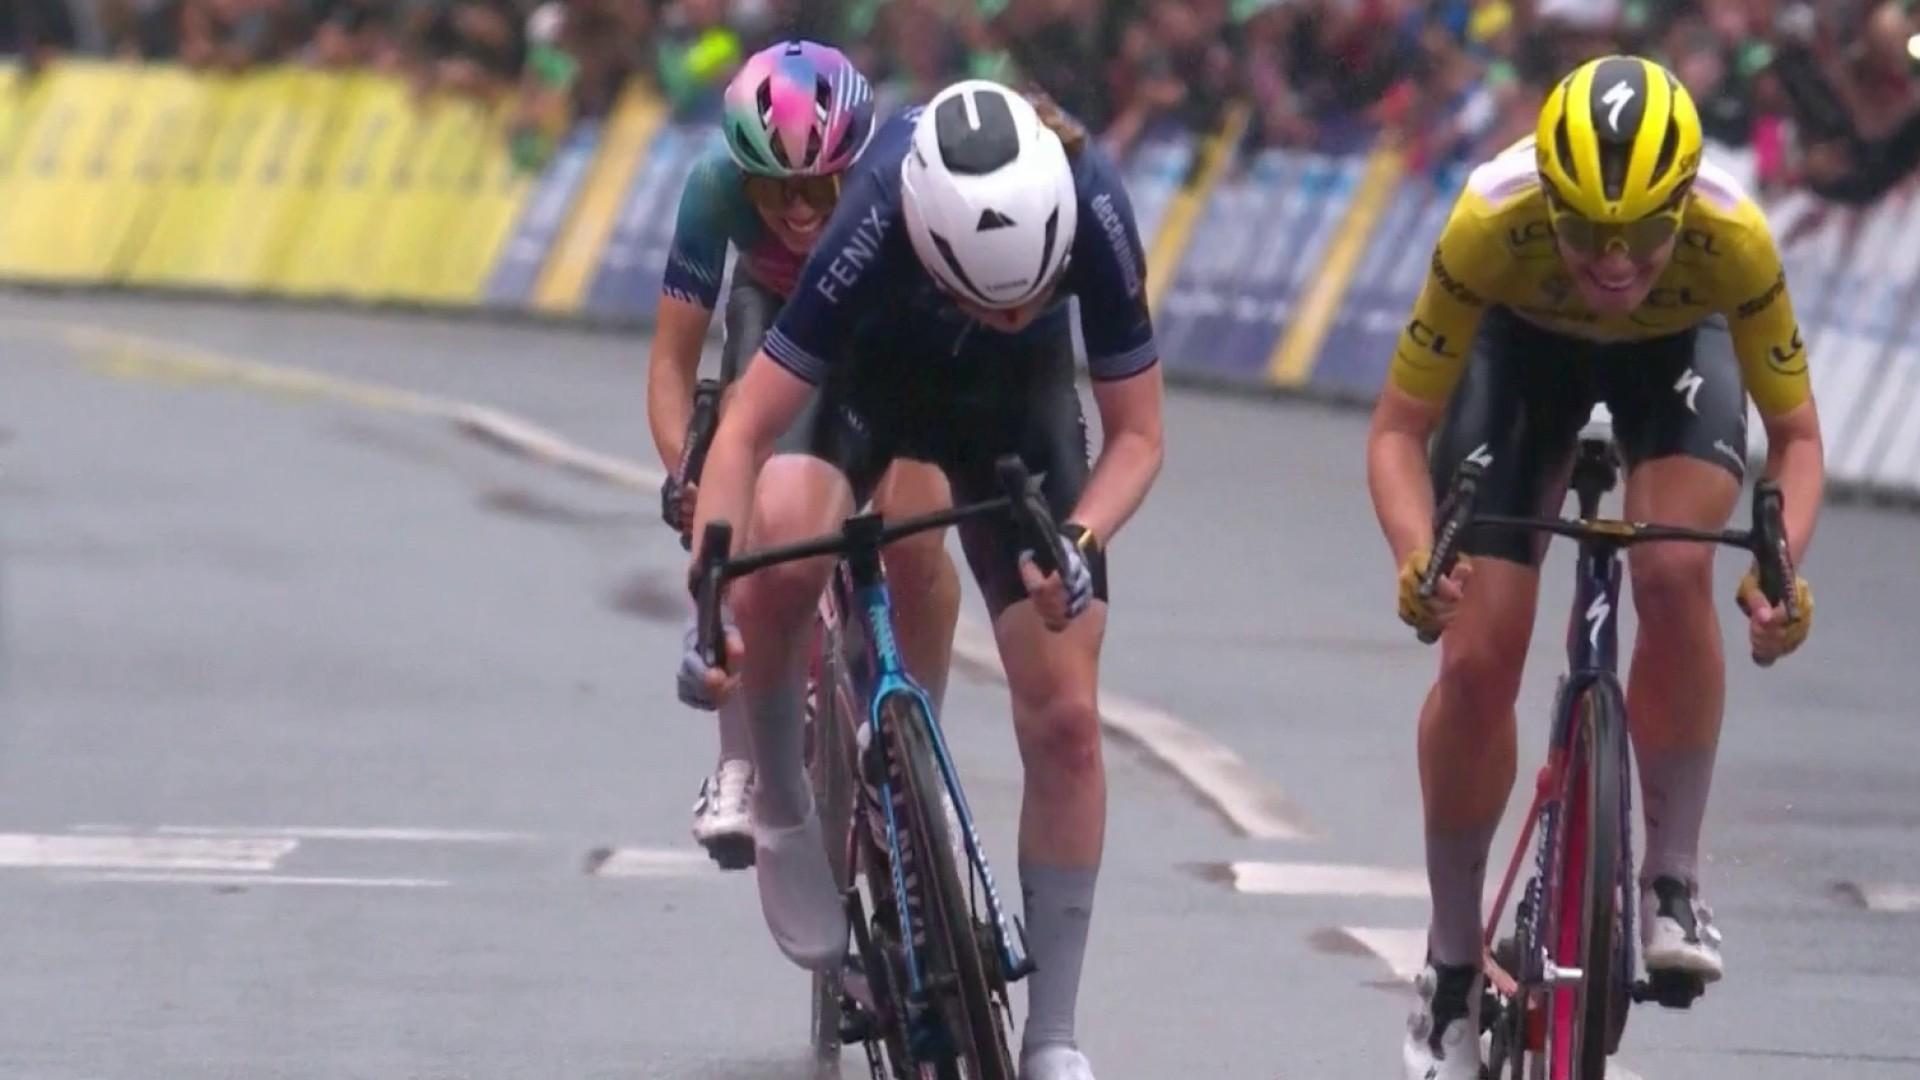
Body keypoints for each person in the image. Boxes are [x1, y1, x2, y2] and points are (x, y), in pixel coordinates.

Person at [681, 79, 1166, 1080]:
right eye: (991, 297)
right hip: (863, 383)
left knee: (1068, 716)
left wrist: (1077, 537)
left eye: (1033, 297)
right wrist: (709, 595)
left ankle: (1055, 1033)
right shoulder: (875, 209)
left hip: (1013, 410)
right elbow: (746, 429)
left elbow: (1139, 438)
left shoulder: (1096, 199)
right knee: (786, 548)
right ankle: (781, 801)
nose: (1018, 309)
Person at [1367, 55, 1824, 1080]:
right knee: (1478, 656)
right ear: (1548, 201)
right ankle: (1448, 964)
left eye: (1645, 236)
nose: (1614, 265)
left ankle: (1670, 878)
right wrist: (1413, 557)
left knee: (1671, 571)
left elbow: (1797, 441)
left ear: (1684, 206)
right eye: (1584, 234)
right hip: (1519, 360)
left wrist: (1780, 571)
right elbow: (1398, 430)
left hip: (1675, 359)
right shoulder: (1490, 220)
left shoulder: (1734, 238)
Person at [647, 39, 961, 871]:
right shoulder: (713, 186)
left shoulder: (901, 180)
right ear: (740, 174)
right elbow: (673, 366)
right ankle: (740, 761)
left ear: (854, 164)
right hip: (776, 316)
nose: (796, 210)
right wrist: (692, 473)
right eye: (774, 188)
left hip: (877, 316)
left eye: (821, 186)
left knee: (915, 532)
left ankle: (913, 740)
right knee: (734, 491)